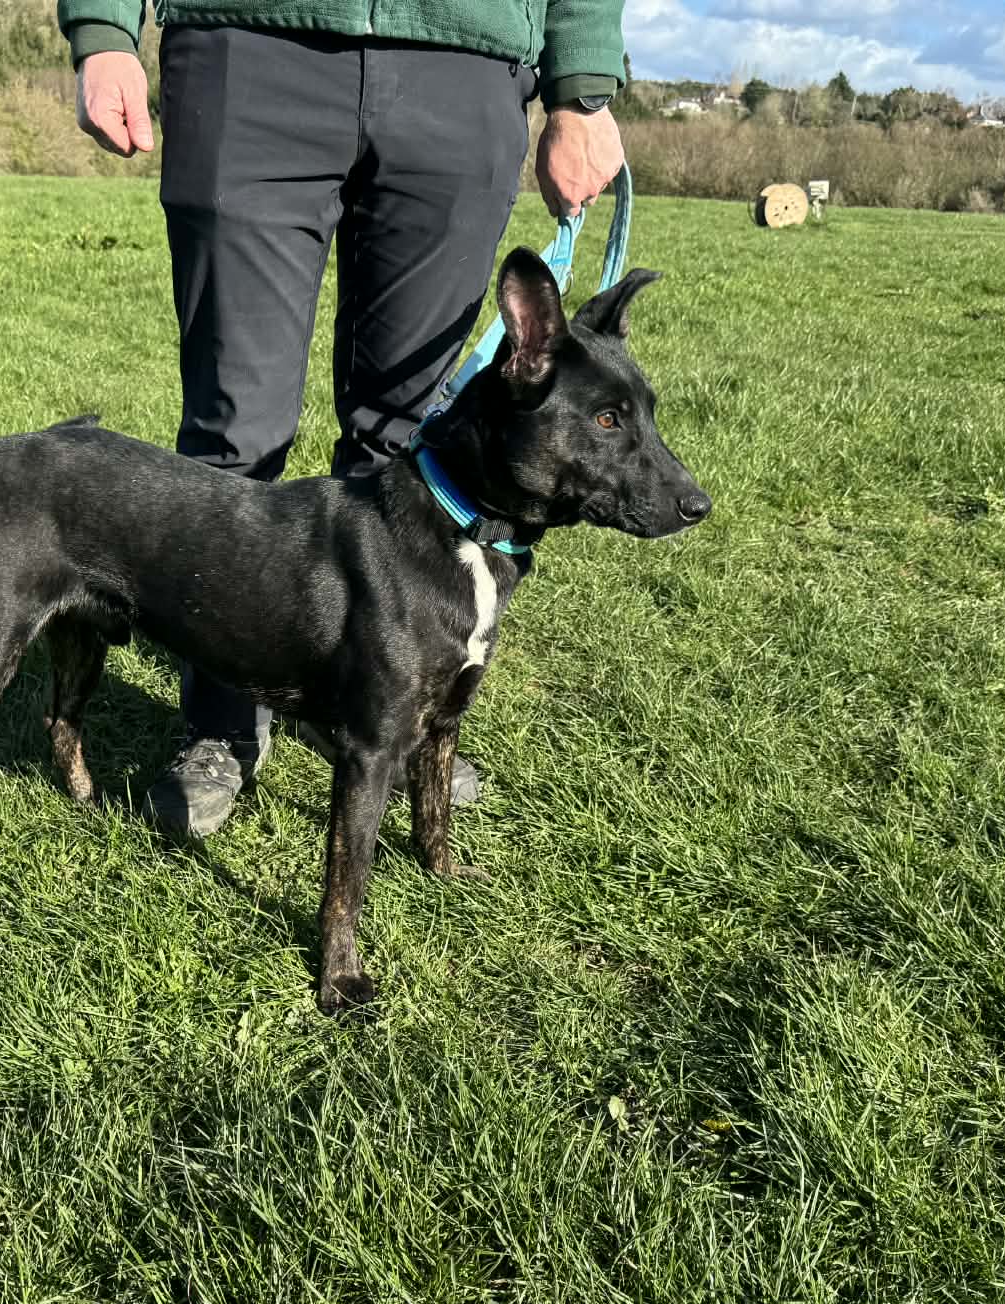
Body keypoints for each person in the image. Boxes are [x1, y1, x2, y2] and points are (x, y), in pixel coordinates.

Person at [56, 0, 627, 837]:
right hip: (250, 41)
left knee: (406, 440)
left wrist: (582, 88)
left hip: (462, 64)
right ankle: (221, 721)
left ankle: (372, 705)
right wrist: (104, 30)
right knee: (232, 432)